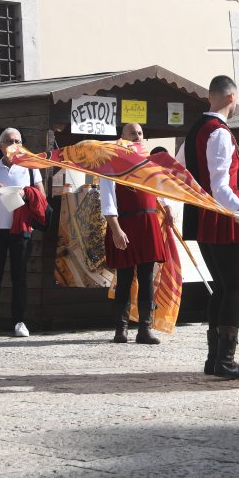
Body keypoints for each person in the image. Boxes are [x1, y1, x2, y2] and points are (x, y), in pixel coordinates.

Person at [184, 75, 239, 380]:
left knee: (222, 287)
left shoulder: (195, 130)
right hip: (221, 216)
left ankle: (215, 359)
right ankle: (224, 361)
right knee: (234, 288)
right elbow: (220, 186)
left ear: (211, 97)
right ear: (232, 98)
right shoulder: (219, 133)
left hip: (205, 215)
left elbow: (182, 170)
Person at [101, 123, 173, 344]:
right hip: (125, 223)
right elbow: (108, 199)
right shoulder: (111, 163)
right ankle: (120, 329)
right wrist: (116, 230)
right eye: (132, 133)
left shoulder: (148, 163)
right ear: (121, 136)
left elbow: (159, 189)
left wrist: (168, 209)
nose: (137, 136)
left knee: (146, 277)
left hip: (148, 223)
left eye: (140, 133)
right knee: (124, 279)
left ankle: (144, 328)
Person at [0, 127, 40, 338]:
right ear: (0, 146)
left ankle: (20, 321)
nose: (14, 144)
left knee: (19, 277)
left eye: (17, 140)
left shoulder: (30, 167)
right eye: (9, 140)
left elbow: (42, 197)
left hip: (21, 229)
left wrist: (27, 192)